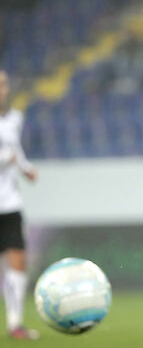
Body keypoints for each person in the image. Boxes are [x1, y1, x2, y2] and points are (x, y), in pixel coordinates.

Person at [0, 69, 39, 340]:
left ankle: (15, 324)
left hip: (9, 202)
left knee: (18, 261)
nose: (3, 88)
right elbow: (7, 155)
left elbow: (16, 151)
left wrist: (25, 168)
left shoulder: (14, 118)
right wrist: (7, 159)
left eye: (4, 83)